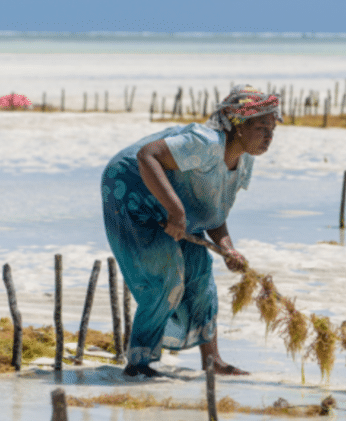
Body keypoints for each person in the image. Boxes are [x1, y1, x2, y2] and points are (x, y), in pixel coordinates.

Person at [101, 84, 280, 377]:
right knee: (166, 276)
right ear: (237, 126)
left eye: (272, 129)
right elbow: (147, 156)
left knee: (200, 274)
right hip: (131, 190)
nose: (269, 136)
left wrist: (227, 249)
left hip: (174, 203)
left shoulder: (244, 162)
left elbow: (213, 212)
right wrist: (176, 212)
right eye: (261, 128)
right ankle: (139, 361)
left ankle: (214, 361)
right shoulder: (206, 143)